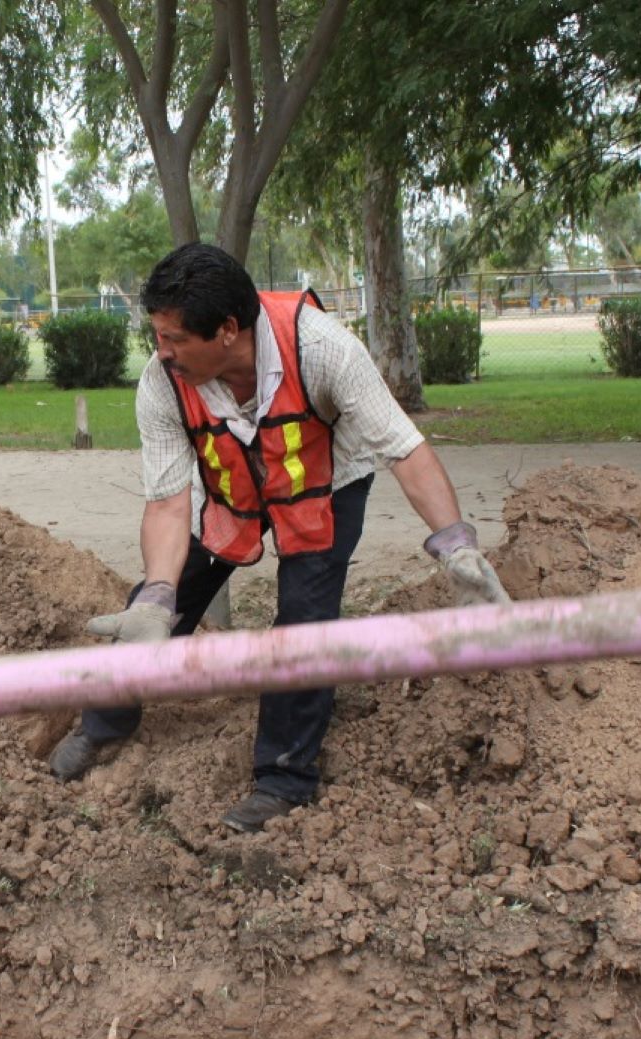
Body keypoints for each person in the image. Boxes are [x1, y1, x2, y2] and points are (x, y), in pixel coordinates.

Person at [48, 243, 510, 832]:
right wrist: (159, 594)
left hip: (323, 484)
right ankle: (103, 724)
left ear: (227, 330)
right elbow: (167, 502)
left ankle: (284, 779)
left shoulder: (323, 349)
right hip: (232, 489)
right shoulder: (163, 383)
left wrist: (455, 545)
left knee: (305, 618)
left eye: (174, 339)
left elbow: (405, 449)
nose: (161, 352)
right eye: (156, 336)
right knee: (156, 604)